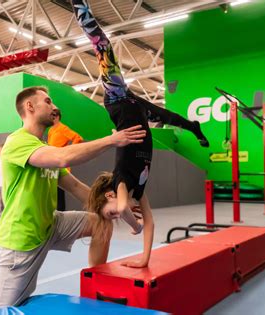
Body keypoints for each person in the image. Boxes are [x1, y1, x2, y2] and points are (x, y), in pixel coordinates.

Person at [71, 0, 209, 267]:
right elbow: (152, 221)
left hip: (118, 99)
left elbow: (124, 209)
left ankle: (80, 7)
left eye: (109, 213)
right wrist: (143, 260)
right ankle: (195, 128)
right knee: (169, 118)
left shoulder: (122, 180)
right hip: (137, 107)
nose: (117, 216)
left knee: (103, 47)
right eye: (114, 218)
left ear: (110, 196)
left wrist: (132, 225)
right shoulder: (139, 189)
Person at [0, 86, 146, 307]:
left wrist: (105, 205)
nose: (54, 107)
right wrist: (111, 141)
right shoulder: (17, 141)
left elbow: (72, 184)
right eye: (48, 101)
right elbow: (63, 158)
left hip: (51, 224)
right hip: (21, 240)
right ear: (30, 106)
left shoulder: (42, 145)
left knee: (100, 222)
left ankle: (96, 288)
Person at [48, 108, 83, 211]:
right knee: (53, 192)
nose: (50, 118)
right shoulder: (51, 130)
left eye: (52, 116)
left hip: (60, 164)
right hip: (52, 163)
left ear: (57, 117)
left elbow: (78, 138)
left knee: (59, 192)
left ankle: (60, 214)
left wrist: (68, 150)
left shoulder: (63, 128)